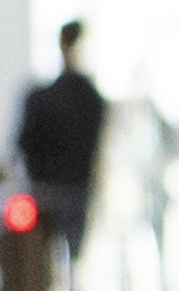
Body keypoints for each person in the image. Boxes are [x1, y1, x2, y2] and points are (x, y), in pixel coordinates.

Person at [13, 24, 110, 259]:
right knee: (70, 258)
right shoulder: (89, 99)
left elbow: (23, 144)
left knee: (47, 261)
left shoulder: (42, 98)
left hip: (52, 189)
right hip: (71, 189)